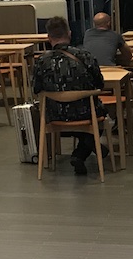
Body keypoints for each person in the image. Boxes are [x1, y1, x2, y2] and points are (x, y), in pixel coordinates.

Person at [33, 16, 108, 176]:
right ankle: (81, 153)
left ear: (48, 37)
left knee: (78, 115)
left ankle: (87, 149)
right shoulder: (85, 56)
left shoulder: (41, 61)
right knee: (99, 115)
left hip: (53, 115)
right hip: (85, 113)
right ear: (69, 33)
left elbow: (36, 88)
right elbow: (100, 84)